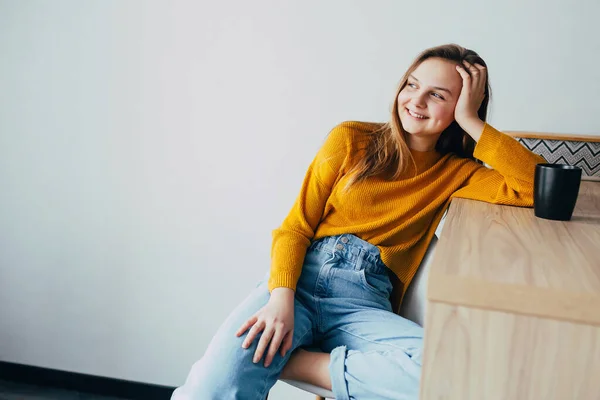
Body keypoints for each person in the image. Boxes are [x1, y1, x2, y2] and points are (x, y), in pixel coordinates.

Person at [171, 44, 546, 400]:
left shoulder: (457, 172)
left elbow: (537, 187)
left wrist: (471, 120)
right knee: (208, 389)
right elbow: (295, 227)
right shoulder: (352, 138)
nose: (416, 100)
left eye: (438, 95)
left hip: (363, 301)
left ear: (462, 107)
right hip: (298, 282)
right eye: (412, 85)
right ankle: (280, 351)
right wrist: (280, 299)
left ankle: (300, 362)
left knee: (452, 373)